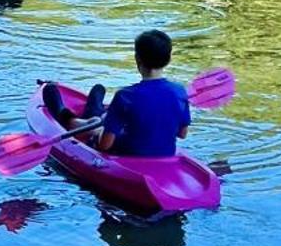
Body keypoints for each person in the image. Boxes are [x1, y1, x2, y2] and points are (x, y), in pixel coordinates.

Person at [41, 30, 191, 158]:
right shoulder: (180, 91)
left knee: (97, 127)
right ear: (168, 60)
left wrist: (99, 132)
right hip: (165, 154)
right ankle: (91, 117)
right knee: (103, 123)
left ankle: (72, 118)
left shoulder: (125, 96)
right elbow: (182, 134)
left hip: (126, 153)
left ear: (137, 59)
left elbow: (105, 145)